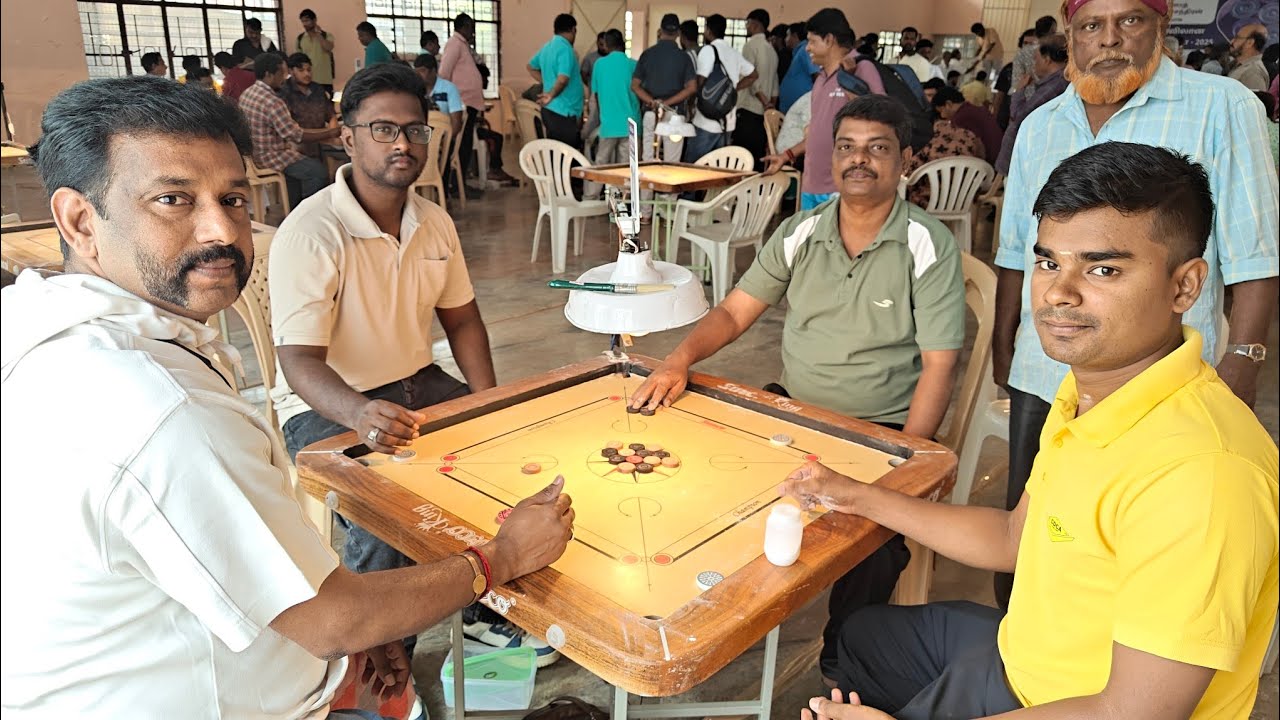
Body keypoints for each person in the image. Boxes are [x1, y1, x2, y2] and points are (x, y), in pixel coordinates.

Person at [0, 73, 575, 717]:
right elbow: (329, 615)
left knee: (489, 466)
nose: (220, 230)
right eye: (173, 199)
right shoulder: (159, 408)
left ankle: (454, 615)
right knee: (390, 510)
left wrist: (352, 637)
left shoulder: (65, 332)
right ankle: (435, 609)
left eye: (234, 198)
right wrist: (499, 558)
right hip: (332, 418)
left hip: (293, 626)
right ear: (80, 220)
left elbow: (463, 321)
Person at [792, 141, 1279, 720]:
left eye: (1102, 268)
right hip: (1022, 654)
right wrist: (857, 496)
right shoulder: (1090, 391)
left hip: (1074, 703)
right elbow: (1012, 537)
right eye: (1049, 261)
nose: (1057, 293)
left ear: (1185, 286)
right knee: (860, 638)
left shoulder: (1202, 473)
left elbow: (1131, 712)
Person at [634, 96, 965, 678]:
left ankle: (845, 660)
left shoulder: (926, 243)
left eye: (877, 148)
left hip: (877, 429)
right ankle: (710, 614)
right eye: (846, 148)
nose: (859, 160)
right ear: (830, 159)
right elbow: (735, 313)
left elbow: (939, 367)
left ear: (905, 160)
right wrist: (677, 359)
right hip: (793, 414)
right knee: (698, 473)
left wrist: (902, 465)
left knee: (872, 541)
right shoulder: (801, 230)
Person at [268, 62, 562, 667]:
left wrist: (489, 407)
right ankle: (378, 656)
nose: (402, 144)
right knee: (389, 508)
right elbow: (298, 360)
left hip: (414, 381)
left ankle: (488, 611)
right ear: (347, 137)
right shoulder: (312, 231)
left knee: (502, 464)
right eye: (382, 129)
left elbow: (462, 321)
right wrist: (358, 410)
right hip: (326, 400)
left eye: (415, 130)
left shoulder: (432, 221)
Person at [994, 0, 1279, 609]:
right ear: (1070, 35)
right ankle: (1016, 667)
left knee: (1135, 560)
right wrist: (1004, 343)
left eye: (1130, 21)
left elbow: (1257, 255)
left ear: (1160, 26)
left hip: (1158, 385)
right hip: (1044, 373)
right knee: (1027, 548)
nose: (1110, 40)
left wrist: (1244, 361)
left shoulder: (1222, 107)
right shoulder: (1041, 124)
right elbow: (1017, 249)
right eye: (1092, 26)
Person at [761, 8, 858, 210]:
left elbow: (876, 122)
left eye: (812, 41)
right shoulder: (821, 80)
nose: (807, 48)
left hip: (838, 187)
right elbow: (816, 132)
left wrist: (852, 83)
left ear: (829, 40)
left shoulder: (860, 71)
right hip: (812, 184)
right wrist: (786, 156)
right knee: (811, 238)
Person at [238, 52, 338, 208]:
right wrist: (331, 133)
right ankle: (309, 213)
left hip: (253, 155)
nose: (283, 78)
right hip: (270, 155)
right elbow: (295, 135)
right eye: (281, 73)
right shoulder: (272, 101)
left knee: (297, 171)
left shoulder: (247, 94)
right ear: (269, 74)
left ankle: (293, 210)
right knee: (318, 172)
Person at [631, 13, 697, 220]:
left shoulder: (648, 54)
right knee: (671, 164)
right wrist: (667, 104)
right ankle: (668, 213)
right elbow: (692, 87)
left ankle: (645, 212)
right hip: (674, 116)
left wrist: (653, 101)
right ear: (677, 33)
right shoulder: (684, 57)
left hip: (650, 113)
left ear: (660, 31)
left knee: (647, 161)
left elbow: (635, 86)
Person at [687, 14, 758, 162]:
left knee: (694, 168)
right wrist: (732, 89)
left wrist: (691, 105)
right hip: (727, 121)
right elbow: (753, 74)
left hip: (706, 120)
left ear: (708, 30)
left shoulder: (708, 50)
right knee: (718, 170)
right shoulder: (733, 52)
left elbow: (700, 81)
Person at [996, 35, 1069, 175]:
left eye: (1036, 59)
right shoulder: (1056, 83)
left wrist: (1019, 90)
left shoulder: (1054, 86)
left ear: (1047, 59)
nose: (1034, 65)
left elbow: (1018, 116)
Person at [586, 29, 638, 198]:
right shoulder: (633, 64)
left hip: (608, 124)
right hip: (631, 124)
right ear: (623, 44)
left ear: (606, 45)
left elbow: (595, 96)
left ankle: (592, 197)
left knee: (601, 163)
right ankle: (621, 202)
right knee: (625, 167)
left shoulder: (599, 65)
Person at [440, 13, 485, 197]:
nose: (473, 31)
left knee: (466, 144)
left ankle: (461, 184)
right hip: (462, 103)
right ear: (464, 26)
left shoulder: (463, 45)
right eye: (471, 27)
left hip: (469, 103)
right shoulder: (454, 44)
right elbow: (444, 73)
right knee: (462, 145)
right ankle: (457, 186)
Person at [528, 14, 586, 153]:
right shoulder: (565, 49)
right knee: (568, 157)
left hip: (550, 110)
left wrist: (547, 83)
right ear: (573, 30)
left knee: (556, 155)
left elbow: (530, 67)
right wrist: (551, 93)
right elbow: (563, 78)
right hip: (563, 112)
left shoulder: (547, 47)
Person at [735, 9, 779, 170]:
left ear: (754, 24)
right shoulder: (771, 49)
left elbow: (751, 78)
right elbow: (775, 84)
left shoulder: (750, 46)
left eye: (747, 23)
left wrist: (763, 101)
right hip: (763, 114)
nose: (746, 27)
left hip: (748, 108)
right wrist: (770, 106)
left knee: (743, 158)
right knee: (757, 158)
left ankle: (741, 193)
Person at [279, 52, 337, 161]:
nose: (307, 74)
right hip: (298, 143)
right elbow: (288, 129)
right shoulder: (284, 92)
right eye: (301, 71)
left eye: (309, 70)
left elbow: (331, 115)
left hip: (323, 140)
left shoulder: (318, 89)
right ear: (291, 71)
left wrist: (333, 134)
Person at [931, 86, 1002, 165]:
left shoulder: (960, 118)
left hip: (988, 163)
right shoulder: (974, 109)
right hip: (998, 158)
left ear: (948, 104)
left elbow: (972, 149)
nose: (942, 116)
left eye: (941, 111)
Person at [416, 53, 463, 138]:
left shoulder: (449, 89)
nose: (418, 74)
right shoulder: (415, 89)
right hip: (421, 139)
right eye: (416, 71)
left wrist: (446, 142)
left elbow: (456, 122)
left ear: (433, 71)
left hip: (444, 138)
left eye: (422, 71)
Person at [779, 22, 820, 113]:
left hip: (801, 108)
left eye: (787, 35)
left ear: (794, 36)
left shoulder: (805, 50)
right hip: (794, 107)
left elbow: (817, 75)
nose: (785, 39)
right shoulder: (798, 51)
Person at [1012, 15, 1058, 90]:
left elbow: (1016, 81)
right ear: (1052, 31)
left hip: (1025, 96)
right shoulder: (1054, 51)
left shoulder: (1021, 53)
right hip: (1049, 94)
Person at [297, 8, 336, 95]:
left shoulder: (327, 35)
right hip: (307, 80)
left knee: (327, 107)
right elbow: (298, 59)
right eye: (303, 21)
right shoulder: (300, 38)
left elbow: (328, 47)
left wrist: (319, 34)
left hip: (324, 80)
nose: (304, 24)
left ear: (314, 20)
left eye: (307, 21)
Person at [1229, 26, 1270, 91]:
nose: (1232, 42)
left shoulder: (1253, 72)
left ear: (1250, 43)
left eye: (1237, 38)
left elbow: (1253, 100)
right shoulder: (1243, 66)